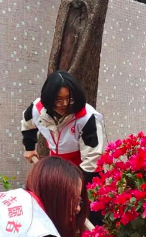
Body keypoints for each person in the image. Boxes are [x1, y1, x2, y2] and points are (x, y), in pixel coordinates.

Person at [21, 71, 105, 226]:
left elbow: (92, 158)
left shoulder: (87, 118)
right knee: (58, 212)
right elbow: (27, 125)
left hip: (87, 172)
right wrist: (29, 147)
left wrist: (74, 185)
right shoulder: (37, 109)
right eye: (58, 99)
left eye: (69, 99)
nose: (64, 104)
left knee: (91, 214)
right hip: (59, 167)